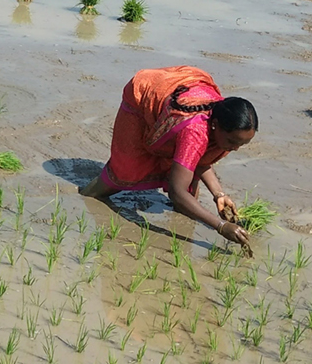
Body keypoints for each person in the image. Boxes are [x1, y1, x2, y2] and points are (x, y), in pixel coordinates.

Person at [80, 66, 257, 249]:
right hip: (143, 96)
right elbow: (176, 191)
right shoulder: (195, 132)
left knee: (189, 195)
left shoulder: (221, 117)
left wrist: (219, 194)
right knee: (125, 171)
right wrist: (221, 226)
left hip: (180, 100)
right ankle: (85, 193)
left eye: (242, 144)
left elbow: (200, 160)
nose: (235, 148)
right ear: (216, 126)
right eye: (232, 141)